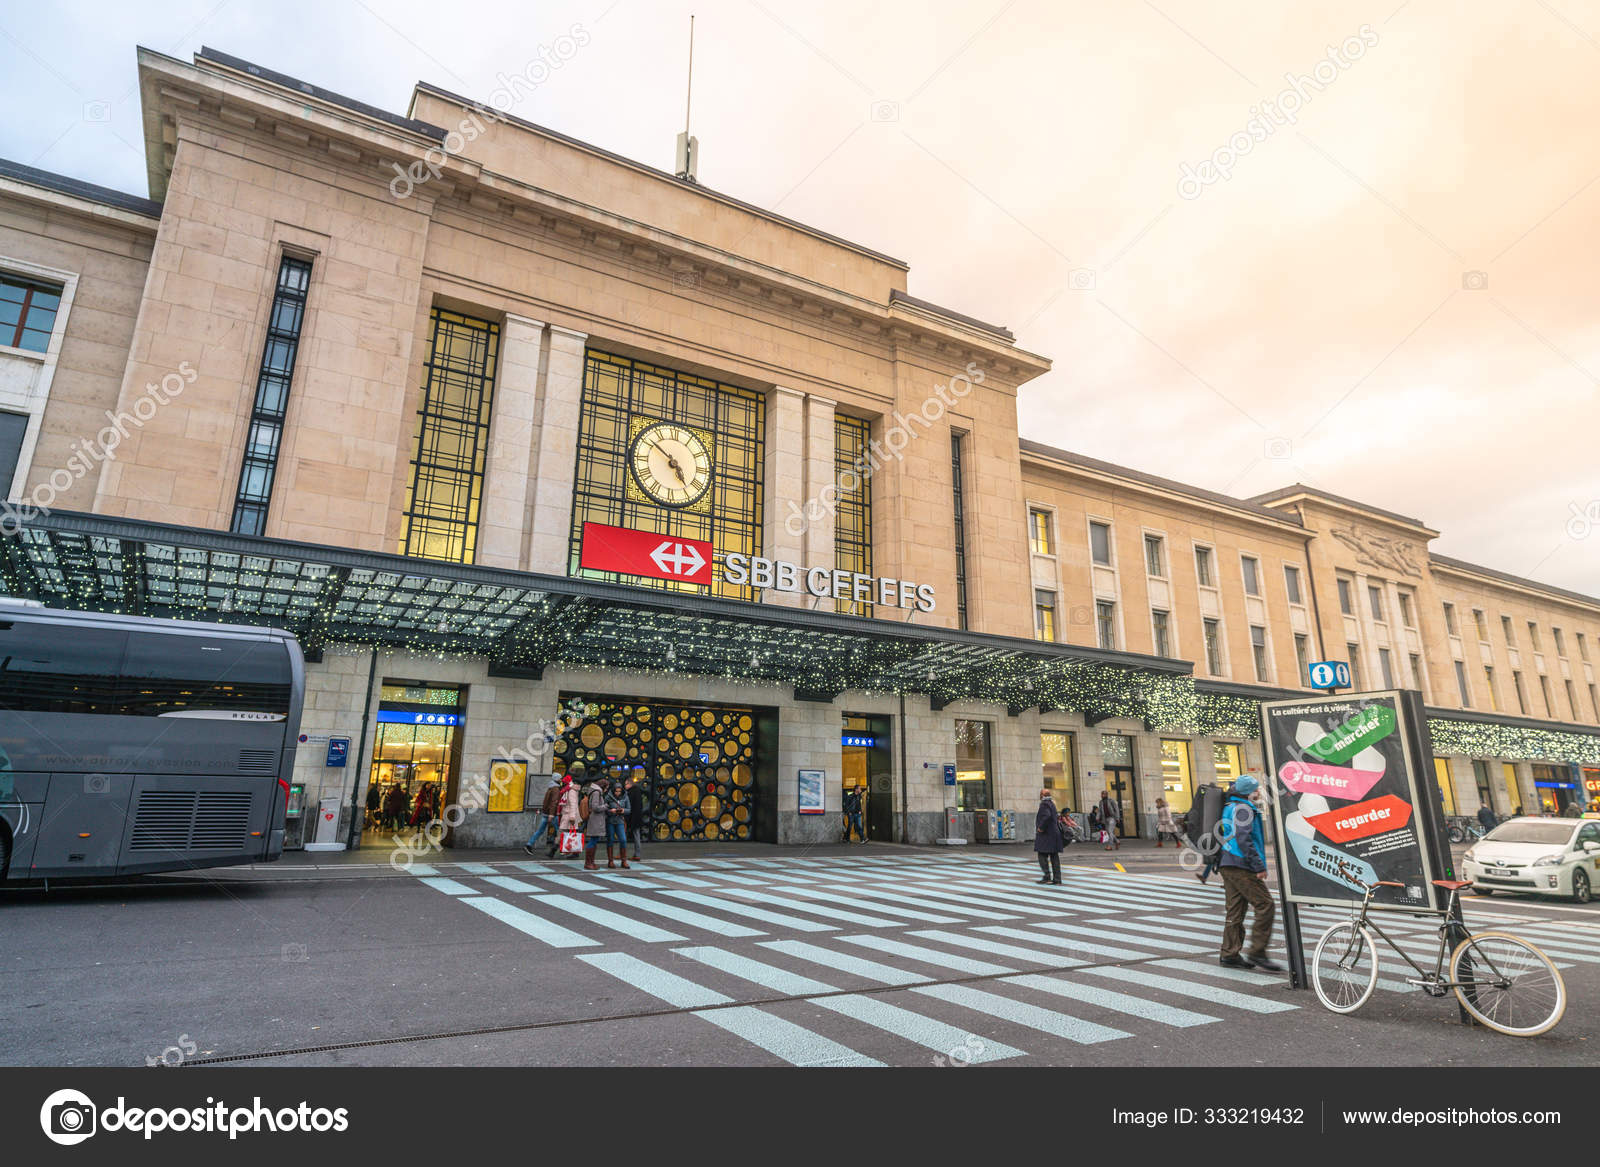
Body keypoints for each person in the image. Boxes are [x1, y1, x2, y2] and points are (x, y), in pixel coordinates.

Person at [1216, 775, 1282, 971]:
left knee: (1235, 911)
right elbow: (1244, 839)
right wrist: (1259, 866)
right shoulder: (1244, 809)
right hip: (1240, 864)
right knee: (1266, 905)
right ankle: (1257, 952)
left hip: (1227, 862)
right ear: (1249, 791)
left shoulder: (1229, 806)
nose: (1258, 792)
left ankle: (1229, 954)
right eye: (1256, 789)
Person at [1034, 788, 1065, 884]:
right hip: (1054, 834)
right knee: (1054, 856)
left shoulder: (1044, 804)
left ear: (1042, 795)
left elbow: (1047, 816)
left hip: (1046, 834)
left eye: (1040, 794)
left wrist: (1041, 827)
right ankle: (1057, 879)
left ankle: (1047, 876)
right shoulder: (1052, 803)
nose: (1040, 795)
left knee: (1041, 855)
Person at [524, 777, 561, 857]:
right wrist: (551, 814)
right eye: (560, 779)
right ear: (557, 779)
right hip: (552, 814)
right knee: (560, 831)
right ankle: (562, 848)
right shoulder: (556, 789)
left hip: (545, 813)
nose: (561, 780)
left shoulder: (550, 788)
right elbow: (554, 802)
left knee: (540, 831)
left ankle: (529, 844)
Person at [582, 779, 609, 871]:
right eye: (606, 788)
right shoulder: (597, 792)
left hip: (595, 819)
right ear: (603, 786)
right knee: (593, 840)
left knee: (594, 839)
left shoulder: (595, 791)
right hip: (596, 819)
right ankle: (588, 863)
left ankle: (591, 862)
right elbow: (595, 807)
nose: (606, 790)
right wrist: (605, 806)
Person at [604, 776, 631, 868]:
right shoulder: (608, 797)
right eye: (616, 791)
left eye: (619, 791)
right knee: (610, 840)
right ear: (613, 790)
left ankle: (624, 861)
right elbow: (604, 809)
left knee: (623, 840)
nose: (618, 793)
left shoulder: (625, 796)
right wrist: (610, 811)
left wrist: (623, 811)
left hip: (620, 821)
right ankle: (610, 861)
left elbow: (629, 809)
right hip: (610, 821)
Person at [556, 775, 581, 860]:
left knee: (563, 832)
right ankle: (574, 852)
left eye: (564, 782)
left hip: (569, 816)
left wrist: (572, 817)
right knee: (569, 833)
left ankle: (553, 850)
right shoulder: (568, 790)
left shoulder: (570, 791)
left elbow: (573, 804)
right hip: (568, 815)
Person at [625, 773, 647, 861]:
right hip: (636, 817)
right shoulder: (637, 791)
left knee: (633, 835)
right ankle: (636, 854)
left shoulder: (631, 792)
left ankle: (635, 854)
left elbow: (629, 805)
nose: (625, 786)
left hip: (633, 817)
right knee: (635, 835)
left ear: (630, 784)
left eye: (626, 784)